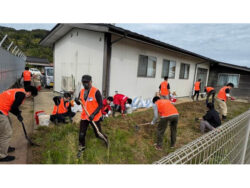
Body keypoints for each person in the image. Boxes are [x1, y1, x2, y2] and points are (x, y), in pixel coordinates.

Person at [0, 86, 38, 162]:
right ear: (29, 92)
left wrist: (18, 114)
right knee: (6, 133)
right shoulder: (22, 95)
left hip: (3, 110)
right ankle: (2, 156)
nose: (29, 97)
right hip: (1, 111)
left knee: (8, 128)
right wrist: (18, 114)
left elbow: (12, 107)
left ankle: (5, 147)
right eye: (31, 95)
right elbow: (13, 107)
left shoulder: (19, 90)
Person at [75, 75, 108, 156]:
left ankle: (106, 140)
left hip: (94, 117)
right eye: (83, 83)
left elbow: (100, 105)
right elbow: (80, 102)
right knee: (81, 134)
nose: (85, 84)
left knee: (98, 134)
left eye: (87, 82)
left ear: (90, 82)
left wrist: (93, 114)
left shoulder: (96, 91)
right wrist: (76, 101)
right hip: (84, 116)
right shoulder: (81, 91)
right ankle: (82, 149)